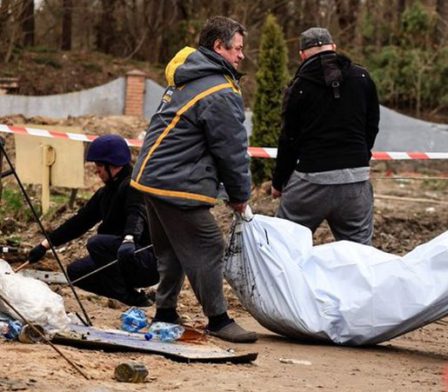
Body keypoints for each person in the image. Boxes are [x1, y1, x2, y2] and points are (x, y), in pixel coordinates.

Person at [130, 16, 256, 343]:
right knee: (209, 244)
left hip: (151, 177)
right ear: (219, 46)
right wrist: (240, 195)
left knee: (172, 249)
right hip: (176, 180)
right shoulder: (219, 90)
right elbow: (231, 148)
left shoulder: (190, 79)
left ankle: (165, 311)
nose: (242, 55)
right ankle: (218, 319)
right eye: (238, 48)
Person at [271, 27, 380, 245]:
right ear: (334, 48)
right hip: (355, 180)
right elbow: (372, 125)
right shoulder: (362, 77)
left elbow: (289, 140)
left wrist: (279, 181)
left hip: (312, 180)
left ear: (302, 54)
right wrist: (359, 158)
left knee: (282, 245)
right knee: (361, 255)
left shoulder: (298, 87)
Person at [27, 134, 158, 307]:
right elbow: (80, 222)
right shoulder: (105, 193)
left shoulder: (135, 186)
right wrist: (45, 245)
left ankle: (128, 294)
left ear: (113, 165)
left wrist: (129, 238)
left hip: (145, 259)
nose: (96, 171)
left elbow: (137, 214)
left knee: (97, 243)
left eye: (99, 166)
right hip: (119, 258)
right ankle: (132, 296)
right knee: (76, 271)